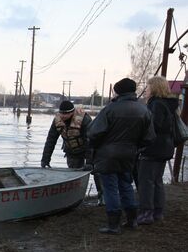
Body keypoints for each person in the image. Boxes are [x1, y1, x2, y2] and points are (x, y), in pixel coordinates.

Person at [87, 78, 155, 234]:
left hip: (108, 155)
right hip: (130, 154)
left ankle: (113, 225)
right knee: (126, 185)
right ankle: (132, 220)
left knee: (110, 188)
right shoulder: (144, 110)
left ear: (117, 91)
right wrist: (136, 147)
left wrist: (96, 147)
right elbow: (149, 137)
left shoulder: (110, 109)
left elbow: (93, 132)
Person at [136, 76, 179, 225]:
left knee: (146, 181)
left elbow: (152, 127)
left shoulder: (156, 105)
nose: (145, 90)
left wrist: (140, 142)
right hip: (165, 147)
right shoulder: (170, 104)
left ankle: (146, 213)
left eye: (147, 88)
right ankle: (158, 211)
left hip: (153, 148)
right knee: (157, 180)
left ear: (154, 88)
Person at [41, 100, 93, 169]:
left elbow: (90, 141)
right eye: (61, 113)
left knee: (96, 171)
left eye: (66, 113)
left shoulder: (84, 119)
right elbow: (50, 140)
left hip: (88, 148)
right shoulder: (57, 121)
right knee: (74, 172)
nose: (63, 116)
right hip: (72, 152)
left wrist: (89, 162)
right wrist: (45, 159)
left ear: (72, 112)